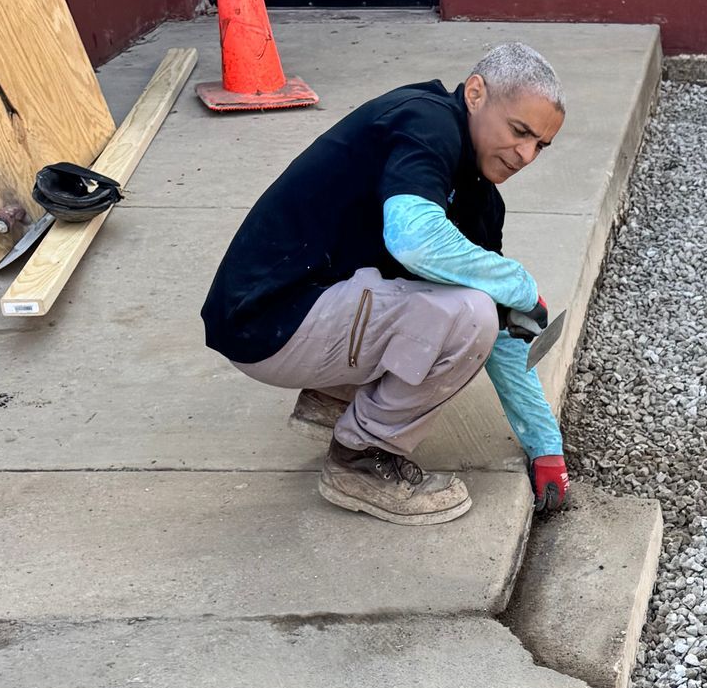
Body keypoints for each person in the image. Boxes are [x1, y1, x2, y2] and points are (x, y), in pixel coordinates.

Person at [201, 40, 572, 526]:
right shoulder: (428, 123)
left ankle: (331, 401)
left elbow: (503, 331)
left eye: (540, 145)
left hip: (300, 311)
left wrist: (545, 447)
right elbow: (413, 239)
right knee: (468, 314)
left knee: (481, 308)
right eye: (520, 131)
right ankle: (361, 459)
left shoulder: (481, 198)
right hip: (268, 317)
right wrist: (518, 283)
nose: (526, 154)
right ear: (476, 94)